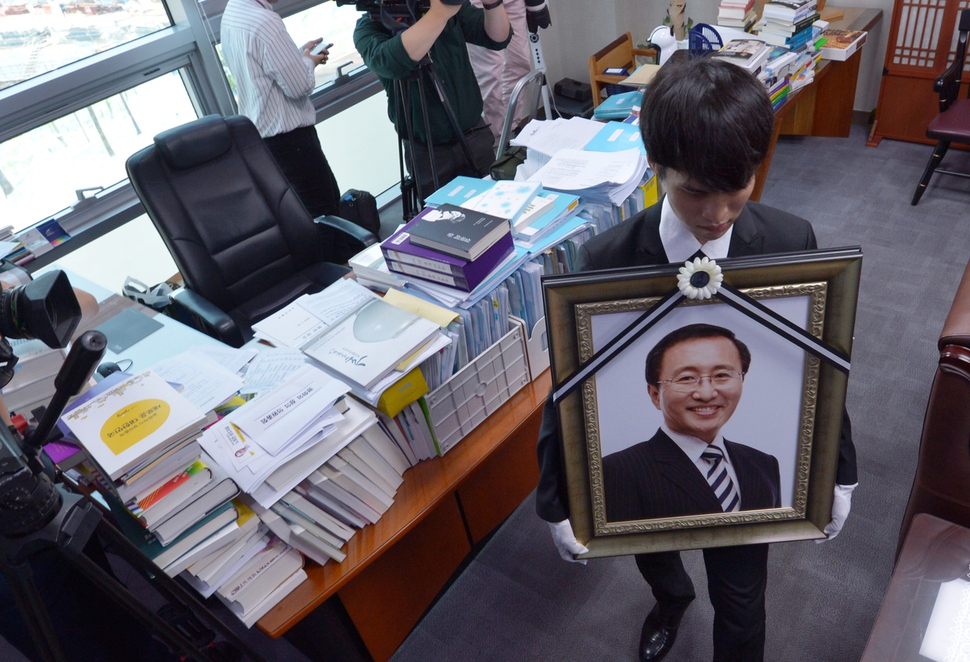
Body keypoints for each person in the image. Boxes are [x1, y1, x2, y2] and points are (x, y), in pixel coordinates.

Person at [535, 56, 858, 662]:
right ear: (655, 168)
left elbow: (818, 362)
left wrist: (838, 468)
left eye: (737, 191)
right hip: (640, 463)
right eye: (695, 192)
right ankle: (671, 597)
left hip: (744, 473)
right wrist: (558, 497)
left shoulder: (790, 240)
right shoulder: (604, 262)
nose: (716, 216)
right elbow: (571, 383)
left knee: (742, 600)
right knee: (652, 552)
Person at [603, 324, 781, 524]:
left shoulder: (764, 465)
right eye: (687, 378)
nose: (706, 394)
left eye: (722, 375)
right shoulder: (619, 471)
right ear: (655, 394)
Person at [353, 0, 511, 199]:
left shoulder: (446, 7)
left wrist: (493, 4)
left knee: (495, 203)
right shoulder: (370, 26)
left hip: (474, 135)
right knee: (441, 219)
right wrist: (439, 14)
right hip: (427, 151)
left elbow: (497, 38)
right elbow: (390, 62)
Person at [220, 0, 343, 227]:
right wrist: (308, 60)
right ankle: (337, 262)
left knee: (301, 219)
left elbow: (261, 69)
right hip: (293, 143)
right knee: (326, 216)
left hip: (264, 141)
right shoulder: (265, 21)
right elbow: (298, 87)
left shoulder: (233, 12)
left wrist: (297, 55)